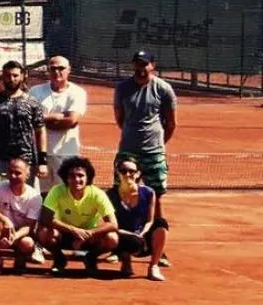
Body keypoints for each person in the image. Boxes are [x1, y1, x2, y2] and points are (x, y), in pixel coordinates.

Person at [38, 157, 120, 277]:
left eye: (81, 175)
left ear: (88, 178)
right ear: (66, 178)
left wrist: (89, 233)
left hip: (89, 237)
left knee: (112, 238)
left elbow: (113, 224)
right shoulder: (57, 191)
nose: (76, 179)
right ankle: (59, 259)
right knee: (43, 233)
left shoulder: (98, 194)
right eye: (71, 176)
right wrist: (73, 230)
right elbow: (45, 219)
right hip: (64, 234)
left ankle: (91, 258)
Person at [113, 49, 177, 201]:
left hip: (154, 152)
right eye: (137, 65)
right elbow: (119, 118)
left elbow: (171, 123)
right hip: (128, 149)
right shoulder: (122, 88)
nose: (140, 69)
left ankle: (156, 224)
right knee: (120, 191)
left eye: (144, 65)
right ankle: (122, 223)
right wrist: (132, 134)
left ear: (152, 65)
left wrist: (158, 143)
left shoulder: (163, 89)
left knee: (157, 193)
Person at [0, 60, 46, 186]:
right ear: (2, 77)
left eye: (15, 75)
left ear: (22, 76)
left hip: (26, 160)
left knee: (23, 199)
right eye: (8, 75)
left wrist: (42, 162)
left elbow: (40, 131)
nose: (11, 79)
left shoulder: (32, 103)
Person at [30, 55, 87, 189]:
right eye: (53, 68)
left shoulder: (77, 92)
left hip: (66, 154)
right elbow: (30, 119)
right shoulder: (35, 91)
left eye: (61, 68)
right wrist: (57, 116)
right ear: (48, 70)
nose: (57, 72)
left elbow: (71, 121)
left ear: (69, 70)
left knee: (66, 193)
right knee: (42, 196)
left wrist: (41, 121)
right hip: (39, 154)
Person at [108, 159, 168, 281]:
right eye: (123, 171)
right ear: (118, 173)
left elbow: (149, 221)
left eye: (131, 171)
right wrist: (130, 235)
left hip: (142, 237)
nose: (127, 174)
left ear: (138, 174)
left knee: (161, 223)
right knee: (112, 235)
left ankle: (153, 266)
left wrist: (141, 234)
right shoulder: (110, 194)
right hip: (122, 237)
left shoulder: (149, 192)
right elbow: (110, 224)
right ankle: (126, 261)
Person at [0, 156, 45, 275]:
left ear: (27, 175)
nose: (13, 176)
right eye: (10, 172)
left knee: (27, 243)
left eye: (17, 173)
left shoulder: (35, 197)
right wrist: (5, 219)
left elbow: (29, 226)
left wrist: (14, 237)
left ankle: (20, 258)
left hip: (20, 233)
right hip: (2, 229)